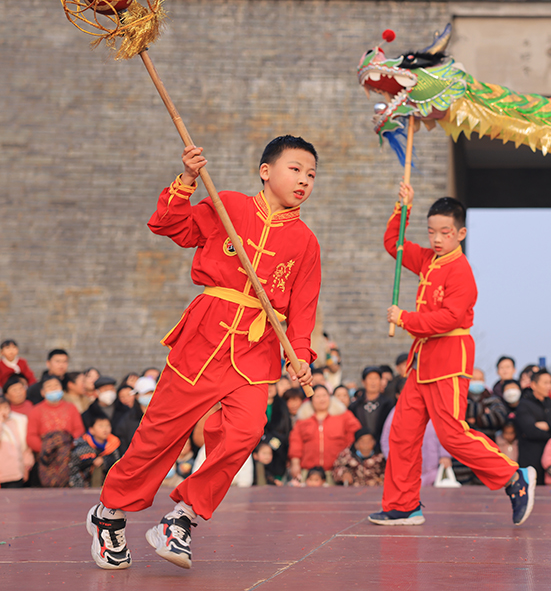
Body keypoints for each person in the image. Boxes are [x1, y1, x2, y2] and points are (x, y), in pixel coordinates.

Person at [86, 135, 321, 571]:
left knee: (246, 432)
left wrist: (300, 353)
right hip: (204, 336)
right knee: (161, 435)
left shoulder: (306, 242)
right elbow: (169, 225)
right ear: (266, 171)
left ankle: (182, 517)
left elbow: (303, 308)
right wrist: (188, 179)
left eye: (311, 174)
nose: (304, 180)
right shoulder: (226, 202)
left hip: (256, 347)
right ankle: (108, 514)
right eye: (295, 169)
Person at [369, 183, 534, 527]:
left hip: (449, 357)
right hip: (422, 361)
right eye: (431, 232)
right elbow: (394, 246)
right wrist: (403, 208)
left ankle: (513, 477)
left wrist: (406, 319)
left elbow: (451, 318)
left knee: (452, 434)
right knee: (402, 433)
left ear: (460, 232)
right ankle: (402, 505)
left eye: (445, 232)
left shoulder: (462, 271)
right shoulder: (428, 260)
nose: (437, 239)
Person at [288, 385, 359, 484]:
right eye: (317, 396)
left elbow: (355, 437)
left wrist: (347, 463)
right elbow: (296, 442)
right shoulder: (303, 419)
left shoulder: (344, 415)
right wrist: (295, 463)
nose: (322, 399)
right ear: (311, 400)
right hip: (310, 474)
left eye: (324, 395)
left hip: (337, 472)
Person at [27, 376, 85, 486]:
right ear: (43, 392)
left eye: (56, 386)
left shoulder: (71, 407)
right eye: (49, 387)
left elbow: (79, 429)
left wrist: (66, 447)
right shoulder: (36, 410)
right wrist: (47, 449)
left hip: (68, 456)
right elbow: (31, 436)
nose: (53, 389)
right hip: (46, 458)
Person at [513, 369, 551, 485]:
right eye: (545, 383)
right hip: (531, 458)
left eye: (550, 383)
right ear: (534, 385)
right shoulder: (524, 405)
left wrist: (548, 426)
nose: (549, 386)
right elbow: (530, 431)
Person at [348, 366, 395, 447]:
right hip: (359, 451)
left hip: (382, 449)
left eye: (376, 378)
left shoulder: (389, 404)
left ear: (381, 381)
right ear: (363, 382)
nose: (373, 382)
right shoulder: (354, 406)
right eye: (370, 378)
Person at [70, 415, 121, 488]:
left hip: (105, 486)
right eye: (101, 426)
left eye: (108, 426)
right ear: (91, 430)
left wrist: (103, 461)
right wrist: (92, 461)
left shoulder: (113, 445)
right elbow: (73, 467)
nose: (105, 429)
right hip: (81, 485)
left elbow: (117, 464)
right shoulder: (83, 446)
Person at [113, 376, 156, 455]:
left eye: (151, 393)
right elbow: (123, 445)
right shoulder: (126, 420)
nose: (149, 396)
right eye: (146, 393)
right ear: (137, 395)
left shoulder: (161, 416)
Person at [0, 394, 34, 487]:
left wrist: (26, 467)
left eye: (6, 407)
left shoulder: (19, 421)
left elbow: (25, 448)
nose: (3, 411)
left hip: (16, 473)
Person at [465, 368, 507, 439]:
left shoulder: (493, 398)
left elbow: (500, 417)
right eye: (474, 379)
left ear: (484, 380)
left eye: (480, 379)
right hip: (467, 440)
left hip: (489, 440)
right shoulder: (462, 398)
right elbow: (462, 412)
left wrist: (476, 420)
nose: (477, 381)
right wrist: (484, 410)